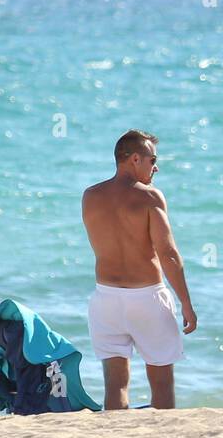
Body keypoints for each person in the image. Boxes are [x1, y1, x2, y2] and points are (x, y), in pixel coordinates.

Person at [81, 129, 197, 409]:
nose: (155, 167)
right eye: (151, 159)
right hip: (147, 299)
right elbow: (168, 254)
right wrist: (186, 303)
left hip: (105, 300)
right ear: (134, 159)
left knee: (116, 385)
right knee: (161, 383)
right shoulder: (149, 198)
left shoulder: (90, 196)